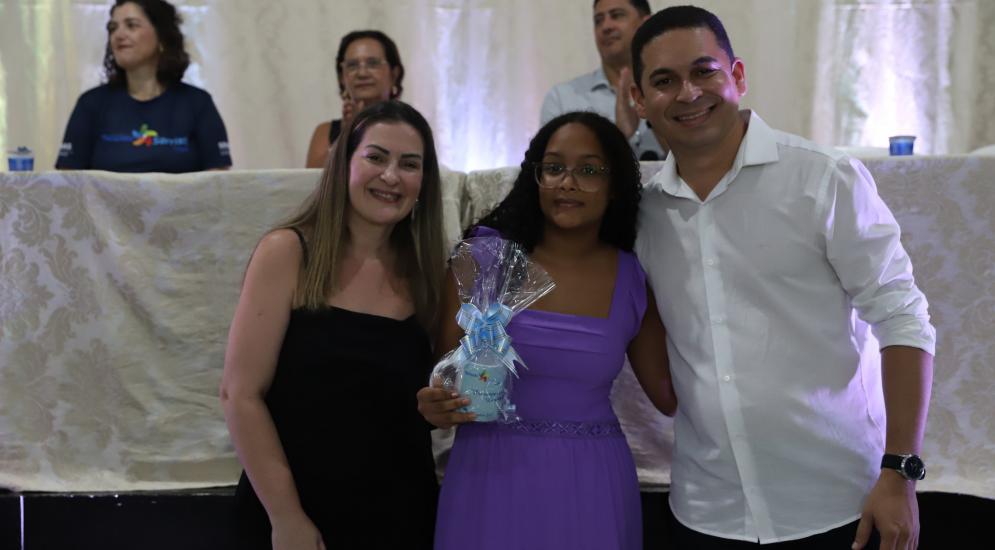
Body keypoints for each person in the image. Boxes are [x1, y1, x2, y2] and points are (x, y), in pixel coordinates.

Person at [629, 6, 935, 549]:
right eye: (664, 80)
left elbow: (903, 318)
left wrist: (900, 471)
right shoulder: (645, 214)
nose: (688, 93)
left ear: (737, 75)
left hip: (837, 502)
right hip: (706, 510)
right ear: (639, 98)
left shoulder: (823, 178)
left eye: (704, 71)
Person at [418, 111, 677, 550]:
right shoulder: (483, 259)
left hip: (591, 482)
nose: (567, 183)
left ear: (615, 185)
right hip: (488, 476)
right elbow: (443, 381)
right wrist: (435, 404)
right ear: (535, 178)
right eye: (554, 168)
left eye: (589, 171)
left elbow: (670, 396)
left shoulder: (633, 277)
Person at [221, 101, 446, 549]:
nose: (391, 176)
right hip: (299, 518)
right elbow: (240, 394)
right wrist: (286, 518)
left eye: (409, 164)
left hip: (402, 516)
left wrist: (442, 407)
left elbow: (425, 401)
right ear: (344, 164)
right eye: (376, 157)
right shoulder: (287, 253)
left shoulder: (426, 274)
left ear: (424, 182)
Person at [56, 0, 232, 172]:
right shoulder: (91, 104)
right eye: (113, 28)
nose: (118, 35)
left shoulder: (198, 103)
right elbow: (69, 181)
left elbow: (217, 182)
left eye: (131, 25)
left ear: (161, 36)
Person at [540, 0, 666, 161]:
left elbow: (690, 161)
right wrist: (619, 136)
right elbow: (556, 167)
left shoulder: (671, 89)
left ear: (645, 24)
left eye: (617, 15)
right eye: (598, 20)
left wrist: (654, 117)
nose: (606, 26)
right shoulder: (562, 98)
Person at [305, 30, 405, 168]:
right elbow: (314, 178)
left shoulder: (411, 129)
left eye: (373, 63)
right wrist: (348, 135)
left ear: (394, 74)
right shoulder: (325, 131)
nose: (362, 73)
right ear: (342, 77)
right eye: (352, 65)